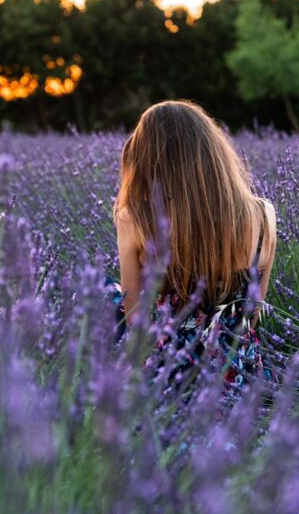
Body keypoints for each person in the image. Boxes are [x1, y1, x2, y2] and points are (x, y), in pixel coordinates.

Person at [106, 99, 277, 406]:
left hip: (167, 374)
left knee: (102, 294)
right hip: (238, 376)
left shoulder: (134, 217)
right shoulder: (264, 215)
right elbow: (252, 314)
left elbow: (135, 318)